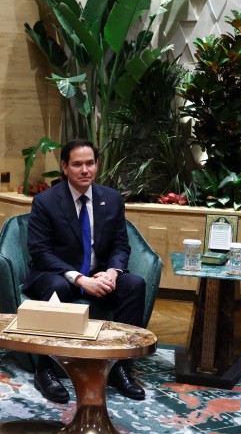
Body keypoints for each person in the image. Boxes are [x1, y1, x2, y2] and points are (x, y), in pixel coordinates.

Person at [22, 138, 149, 403]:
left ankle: (119, 367)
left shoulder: (111, 199)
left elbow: (121, 245)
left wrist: (112, 272)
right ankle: (45, 369)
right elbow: (40, 251)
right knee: (57, 288)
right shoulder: (46, 201)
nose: (84, 170)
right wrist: (79, 279)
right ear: (65, 167)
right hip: (56, 274)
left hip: (98, 273)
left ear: (97, 165)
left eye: (90, 163)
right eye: (77, 164)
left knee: (134, 285)